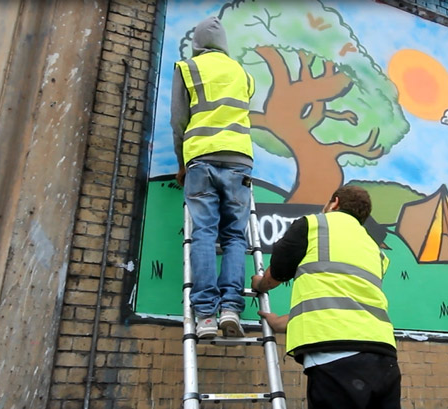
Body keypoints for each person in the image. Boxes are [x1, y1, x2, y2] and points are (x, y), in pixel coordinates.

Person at [251, 186, 402, 409]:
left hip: (336, 360)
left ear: (334, 202)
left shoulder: (313, 225)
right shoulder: (375, 250)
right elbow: (343, 304)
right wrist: (280, 322)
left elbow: (278, 274)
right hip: (384, 359)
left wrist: (259, 284)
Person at [171, 16, 255, 338]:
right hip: (239, 160)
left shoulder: (188, 68)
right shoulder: (244, 75)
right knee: (235, 236)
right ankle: (231, 308)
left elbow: (178, 120)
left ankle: (205, 315)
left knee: (204, 234)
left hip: (202, 158)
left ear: (197, 43)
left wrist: (182, 162)